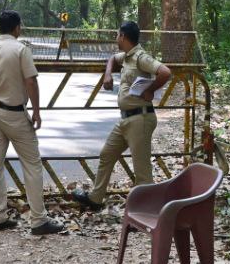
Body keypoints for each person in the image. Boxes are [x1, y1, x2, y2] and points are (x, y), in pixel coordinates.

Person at [0, 10, 65, 236]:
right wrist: (36, 111)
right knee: (32, 164)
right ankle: (38, 220)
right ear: (17, 28)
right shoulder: (20, 50)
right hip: (15, 113)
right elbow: (31, 82)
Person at [69, 20, 171, 210]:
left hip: (140, 119)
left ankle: (148, 210)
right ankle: (96, 198)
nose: (116, 38)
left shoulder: (141, 57)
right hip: (126, 119)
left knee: (142, 170)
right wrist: (107, 75)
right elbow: (112, 60)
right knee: (107, 154)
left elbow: (165, 72)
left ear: (123, 36)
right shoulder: (126, 56)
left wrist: (150, 89)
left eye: (117, 35)